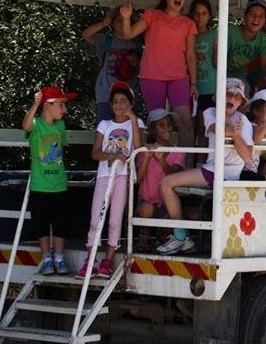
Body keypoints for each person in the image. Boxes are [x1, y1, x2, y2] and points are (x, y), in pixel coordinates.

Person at [157, 78, 254, 254]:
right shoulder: (210, 112)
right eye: (227, 94)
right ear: (218, 98)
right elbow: (218, 129)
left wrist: (235, 136)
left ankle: (181, 237)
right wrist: (234, 132)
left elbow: (247, 156)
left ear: (241, 102)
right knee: (166, 183)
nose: (231, 99)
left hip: (228, 174)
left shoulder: (244, 120)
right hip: (212, 170)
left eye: (236, 96)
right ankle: (181, 236)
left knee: (167, 183)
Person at [118, 0, 197, 149]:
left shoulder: (188, 23)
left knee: (185, 120)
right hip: (152, 76)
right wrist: (126, 18)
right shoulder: (152, 15)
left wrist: (194, 84)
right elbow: (128, 34)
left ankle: (187, 166)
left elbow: (190, 55)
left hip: (178, 77)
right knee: (157, 122)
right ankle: (154, 164)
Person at [80, 81, 143, 279]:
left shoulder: (136, 123)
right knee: (95, 219)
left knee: (115, 220)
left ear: (131, 104)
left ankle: (108, 260)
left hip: (123, 176)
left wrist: (133, 120)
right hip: (104, 175)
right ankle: (90, 260)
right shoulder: (104, 125)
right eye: (115, 101)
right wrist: (113, 156)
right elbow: (95, 153)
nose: (119, 105)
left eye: (123, 101)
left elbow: (139, 147)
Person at [21, 86, 77, 275]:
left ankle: (59, 258)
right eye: (61, 105)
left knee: (60, 222)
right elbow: (26, 126)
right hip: (40, 185)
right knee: (41, 224)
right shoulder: (36, 124)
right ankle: (47, 259)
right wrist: (35, 104)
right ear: (48, 105)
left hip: (59, 184)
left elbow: (60, 148)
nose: (64, 109)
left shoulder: (60, 126)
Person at [135, 109, 185, 251]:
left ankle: (164, 235)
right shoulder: (143, 151)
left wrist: (162, 160)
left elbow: (174, 177)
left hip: (168, 205)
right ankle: (145, 234)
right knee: (147, 209)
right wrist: (148, 157)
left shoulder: (178, 151)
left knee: (174, 216)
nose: (167, 128)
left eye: (169, 124)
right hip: (147, 203)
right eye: (161, 125)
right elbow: (138, 179)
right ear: (152, 130)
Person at [81, 6, 141, 123]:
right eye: (119, 20)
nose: (122, 23)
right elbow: (86, 35)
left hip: (129, 97)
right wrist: (103, 23)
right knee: (104, 131)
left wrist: (137, 63)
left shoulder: (136, 44)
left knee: (128, 133)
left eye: (125, 20)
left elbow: (143, 72)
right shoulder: (105, 40)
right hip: (106, 95)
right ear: (112, 23)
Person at [225, 0, 266, 90]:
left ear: (265, 22)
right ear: (245, 16)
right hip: (220, 76)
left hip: (240, 80)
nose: (256, 18)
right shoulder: (230, 32)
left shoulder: (263, 40)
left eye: (261, 16)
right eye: (252, 14)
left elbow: (265, 69)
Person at [190, 0, 218, 138]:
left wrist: (216, 49)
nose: (200, 17)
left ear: (210, 15)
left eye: (204, 13)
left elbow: (217, 63)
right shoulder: (187, 34)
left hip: (209, 88)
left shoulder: (215, 35)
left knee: (204, 128)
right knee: (190, 127)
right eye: (196, 13)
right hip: (190, 88)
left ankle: (201, 160)